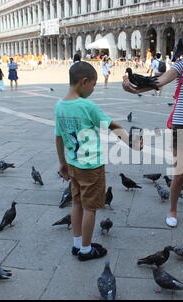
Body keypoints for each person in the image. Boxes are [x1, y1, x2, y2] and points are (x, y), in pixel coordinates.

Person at [122, 29, 183, 229]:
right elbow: (159, 81)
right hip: (182, 126)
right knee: (180, 173)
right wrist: (134, 89)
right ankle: (173, 210)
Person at [55, 61, 139, 261]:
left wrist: (62, 163)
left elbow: (58, 137)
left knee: (76, 203)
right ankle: (86, 249)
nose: (93, 89)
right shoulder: (87, 106)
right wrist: (132, 144)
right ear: (84, 82)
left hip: (73, 164)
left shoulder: (60, 105)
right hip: (91, 167)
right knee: (90, 208)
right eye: (93, 85)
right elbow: (112, 125)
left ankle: (77, 244)